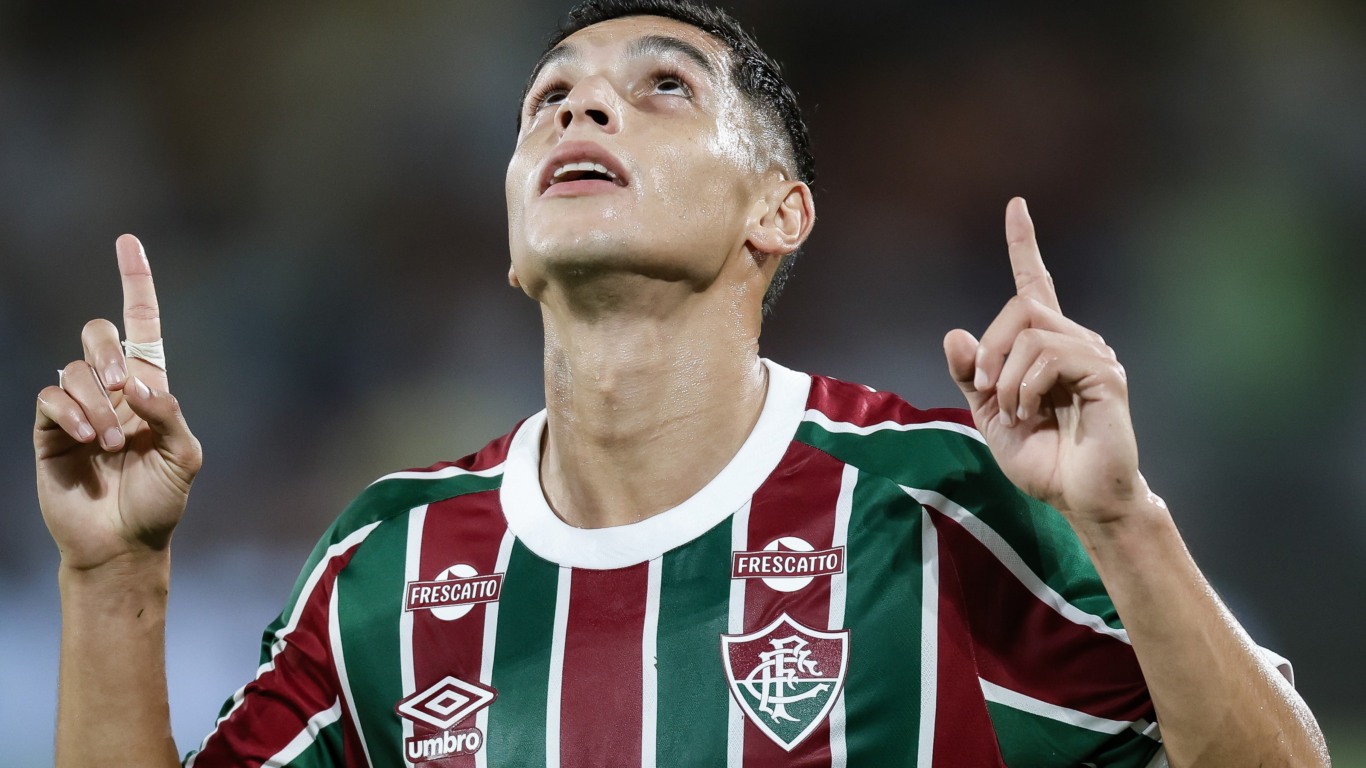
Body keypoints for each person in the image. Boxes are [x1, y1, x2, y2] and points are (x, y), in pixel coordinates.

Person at [34, 1, 1329, 766]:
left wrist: (1123, 523)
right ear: (510, 235)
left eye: (659, 90)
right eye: (549, 101)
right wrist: (111, 582)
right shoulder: (390, 558)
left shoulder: (932, 508)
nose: (579, 116)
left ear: (779, 210)